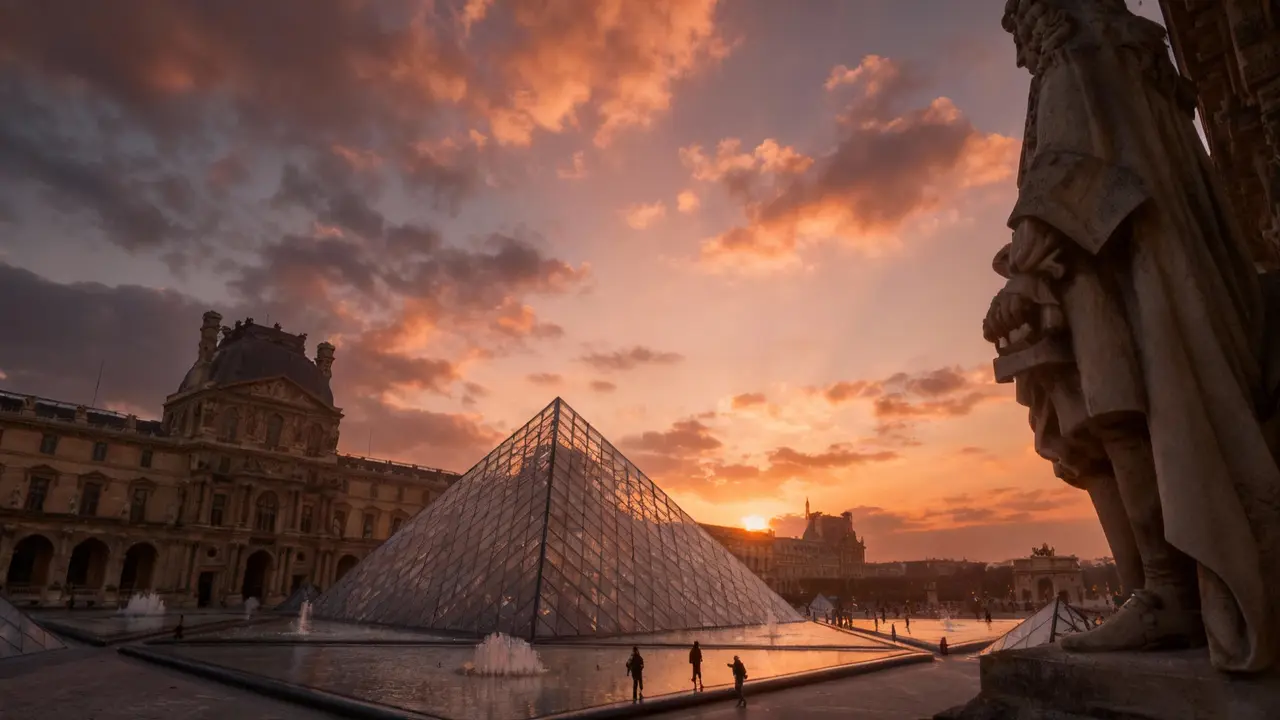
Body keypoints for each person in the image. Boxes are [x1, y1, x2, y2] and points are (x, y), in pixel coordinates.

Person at [986, 0, 1280, 673]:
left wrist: (1024, 268)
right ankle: (1162, 588)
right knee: (1119, 413)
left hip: (1106, 273)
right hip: (1145, 268)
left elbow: (1074, 170)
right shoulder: (1141, 65)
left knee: (1115, 414)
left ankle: (1163, 590)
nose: (1016, 35)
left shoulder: (1077, 62)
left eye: (1021, 16)